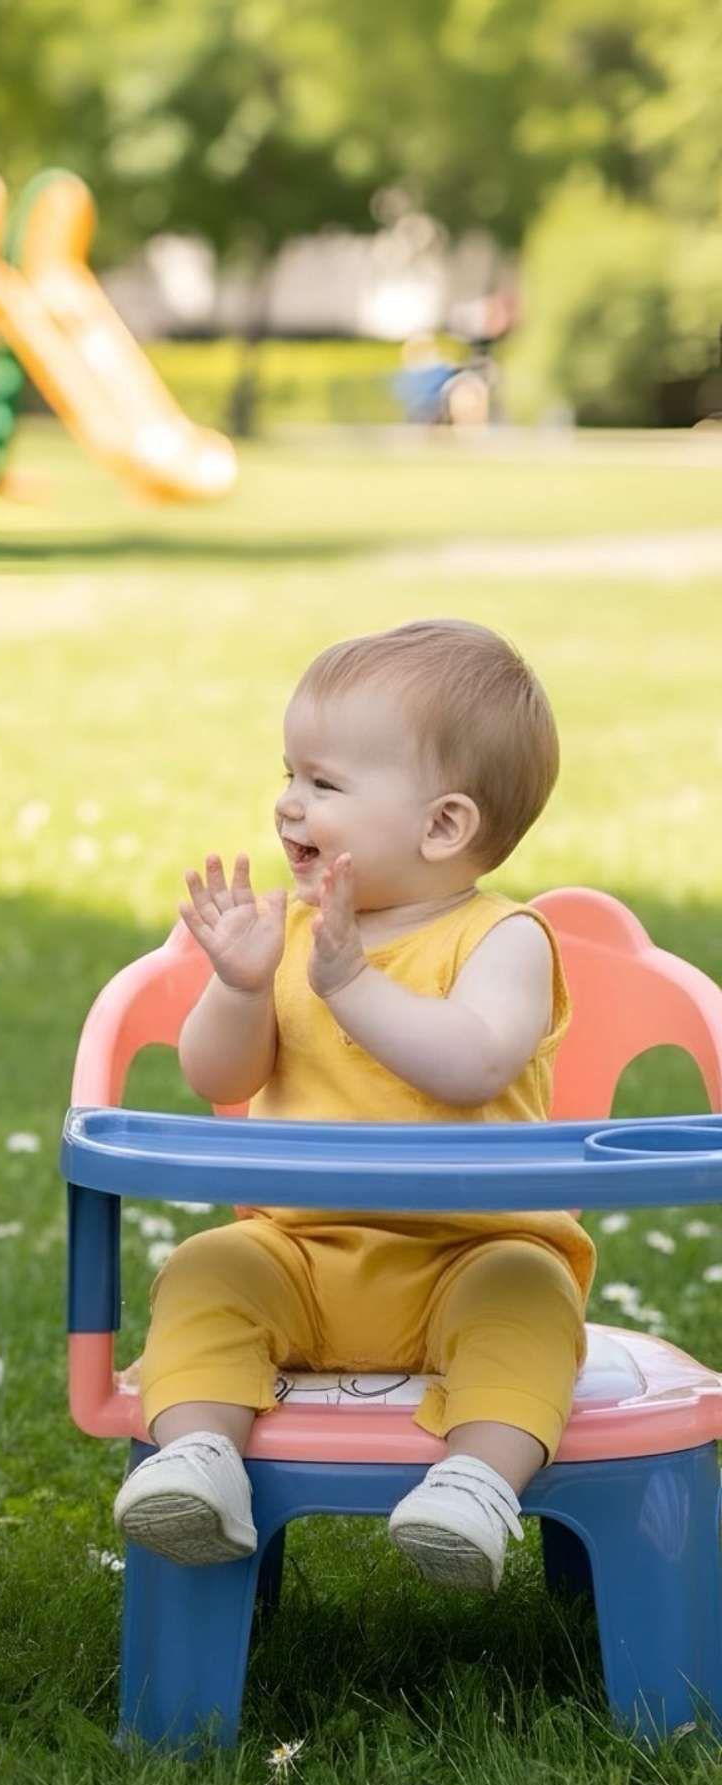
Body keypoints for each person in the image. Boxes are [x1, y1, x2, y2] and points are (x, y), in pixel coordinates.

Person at [113, 619, 595, 1592]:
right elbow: (217, 1075)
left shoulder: (502, 938)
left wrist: (349, 985)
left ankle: (476, 1483)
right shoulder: (292, 935)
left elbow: (470, 1062)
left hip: (468, 1252)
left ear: (443, 826)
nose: (288, 802)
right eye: (288, 773)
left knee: (529, 1305)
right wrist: (242, 986)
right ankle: (200, 1456)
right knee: (206, 1269)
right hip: (301, 1249)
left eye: (324, 784)